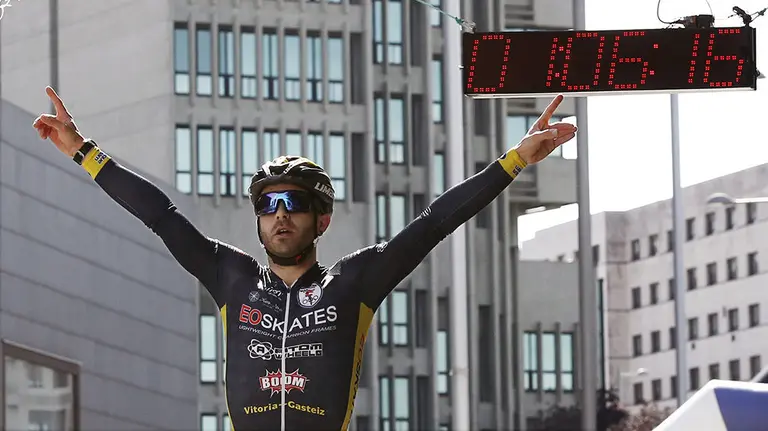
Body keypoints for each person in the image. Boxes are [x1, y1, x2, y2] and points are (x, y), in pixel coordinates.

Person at [32, 86, 576, 431]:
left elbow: (434, 222)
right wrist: (84, 151)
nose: (280, 215)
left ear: (323, 220)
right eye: (268, 205)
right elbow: (161, 215)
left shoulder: (356, 282)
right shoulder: (230, 276)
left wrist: (514, 160)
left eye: (295, 203)